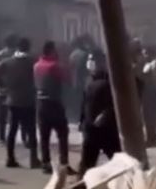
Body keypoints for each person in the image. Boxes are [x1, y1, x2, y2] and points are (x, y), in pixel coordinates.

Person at [0, 37, 39, 168]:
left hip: (13, 99)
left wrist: (2, 86)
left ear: (17, 48)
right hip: (28, 99)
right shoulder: (33, 62)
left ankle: (10, 158)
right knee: (31, 129)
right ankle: (33, 159)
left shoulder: (8, 62)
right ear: (28, 48)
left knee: (12, 129)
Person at [78, 50, 121, 178]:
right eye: (89, 59)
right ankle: (81, 183)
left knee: (117, 159)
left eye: (92, 59)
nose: (90, 62)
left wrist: (106, 114)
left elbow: (116, 102)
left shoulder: (110, 80)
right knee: (87, 161)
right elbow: (84, 102)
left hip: (107, 128)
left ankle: (127, 181)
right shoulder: (88, 80)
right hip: (90, 128)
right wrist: (82, 121)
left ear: (101, 62)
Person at [34, 41, 74, 174]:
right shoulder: (55, 66)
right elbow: (68, 80)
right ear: (52, 51)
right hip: (54, 103)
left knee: (44, 135)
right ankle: (63, 164)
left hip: (41, 103)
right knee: (62, 134)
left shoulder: (36, 65)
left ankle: (45, 163)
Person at [0, 33, 19, 143]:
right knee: (17, 113)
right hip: (16, 88)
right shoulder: (18, 55)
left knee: (2, 113)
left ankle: (2, 136)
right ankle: (18, 136)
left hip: (3, 87)